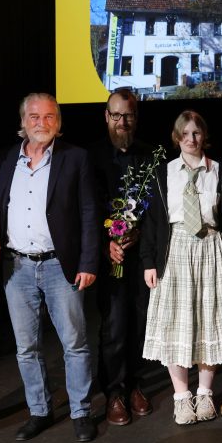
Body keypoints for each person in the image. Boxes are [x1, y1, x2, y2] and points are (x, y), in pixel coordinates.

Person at [0, 93, 100, 443]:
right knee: (26, 347)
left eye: (49, 117)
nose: (42, 123)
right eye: (34, 117)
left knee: (74, 343)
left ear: (58, 122)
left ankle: (81, 412)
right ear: (23, 121)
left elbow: (89, 213)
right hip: (17, 267)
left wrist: (88, 262)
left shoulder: (76, 158)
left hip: (61, 266)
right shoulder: (8, 158)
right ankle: (39, 411)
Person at [140, 111, 222, 425]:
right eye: (185, 133)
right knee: (177, 323)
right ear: (177, 137)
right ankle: (182, 397)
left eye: (196, 133)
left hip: (211, 247)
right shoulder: (163, 173)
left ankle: (205, 394)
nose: (191, 139)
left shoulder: (219, 172)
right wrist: (148, 262)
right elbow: (153, 222)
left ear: (204, 136)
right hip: (176, 249)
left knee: (208, 321)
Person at [89, 88, 155, 425]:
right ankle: (114, 391)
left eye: (127, 115)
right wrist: (105, 243)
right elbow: (88, 209)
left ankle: (136, 385)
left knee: (142, 323)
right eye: (115, 115)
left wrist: (140, 234)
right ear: (106, 116)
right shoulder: (92, 157)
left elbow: (157, 209)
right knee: (114, 326)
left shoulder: (152, 156)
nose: (121, 121)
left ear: (135, 117)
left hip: (142, 259)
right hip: (110, 257)